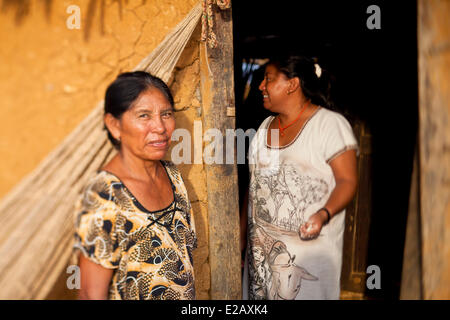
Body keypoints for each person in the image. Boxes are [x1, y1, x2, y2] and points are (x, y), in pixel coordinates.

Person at [241, 55, 358, 300]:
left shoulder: (329, 125)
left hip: (307, 257)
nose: (261, 86)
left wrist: (323, 214)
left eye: (269, 79)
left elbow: (347, 181)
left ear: (292, 84)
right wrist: (241, 238)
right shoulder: (265, 127)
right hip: (261, 259)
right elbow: (257, 187)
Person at [73, 71, 197, 300]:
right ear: (114, 125)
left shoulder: (173, 176)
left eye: (166, 114)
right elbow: (90, 294)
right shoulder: (104, 196)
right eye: (144, 116)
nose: (160, 127)